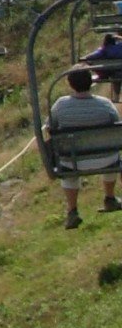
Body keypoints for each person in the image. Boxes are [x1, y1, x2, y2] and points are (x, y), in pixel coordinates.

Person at [51, 67, 122, 228]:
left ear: (70, 84)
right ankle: (110, 198)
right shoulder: (105, 104)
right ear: (91, 82)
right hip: (106, 159)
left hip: (73, 162)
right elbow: (116, 126)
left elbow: (52, 127)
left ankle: (72, 210)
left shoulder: (60, 105)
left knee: (68, 168)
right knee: (112, 154)